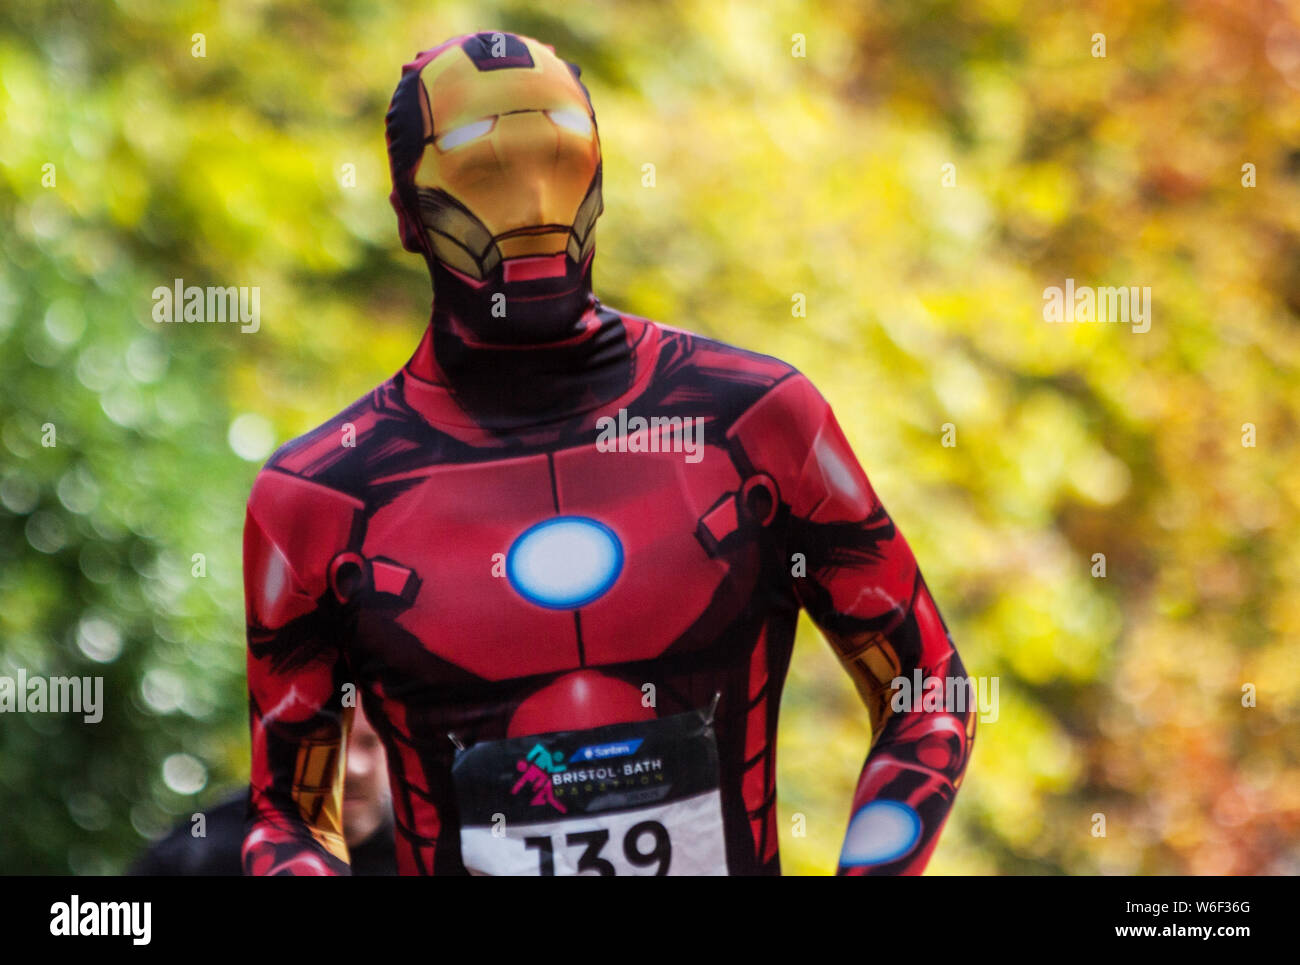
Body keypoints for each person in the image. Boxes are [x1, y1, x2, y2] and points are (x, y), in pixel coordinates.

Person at [241, 31, 974, 876]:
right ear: (410, 214)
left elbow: (928, 694)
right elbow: (285, 814)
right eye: (485, 173)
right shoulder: (317, 499)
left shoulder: (758, 422)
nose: (532, 207)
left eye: (559, 160)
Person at [135, 704, 395, 875]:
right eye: (329, 744)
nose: (351, 768)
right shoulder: (197, 854)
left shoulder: (430, 851)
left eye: (370, 743)